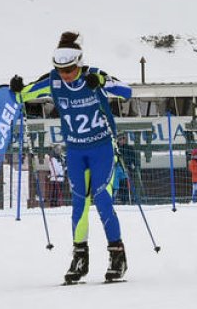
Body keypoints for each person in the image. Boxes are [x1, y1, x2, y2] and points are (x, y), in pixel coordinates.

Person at [11, 31, 133, 283]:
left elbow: (126, 91)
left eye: (69, 70)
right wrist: (16, 88)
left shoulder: (92, 75)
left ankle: (117, 255)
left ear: (78, 64)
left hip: (101, 148)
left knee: (102, 200)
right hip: (76, 151)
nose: (65, 74)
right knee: (79, 206)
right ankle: (80, 258)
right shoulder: (54, 80)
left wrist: (101, 81)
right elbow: (23, 95)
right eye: (60, 69)